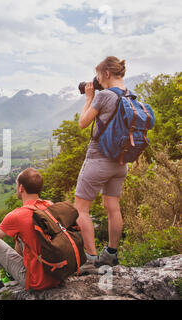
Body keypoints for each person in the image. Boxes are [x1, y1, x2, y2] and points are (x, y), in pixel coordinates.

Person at [75, 56, 129, 270]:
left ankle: (91, 259)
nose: (97, 80)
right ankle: (111, 255)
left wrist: (89, 97)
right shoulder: (130, 95)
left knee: (81, 209)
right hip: (121, 162)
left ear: (106, 74)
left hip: (98, 159)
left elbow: (82, 123)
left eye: (98, 75)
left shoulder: (104, 96)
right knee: (112, 207)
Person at [0, 168, 60, 296]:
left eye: (16, 184)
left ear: (21, 188)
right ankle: (10, 275)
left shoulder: (18, 215)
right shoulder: (50, 205)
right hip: (57, 273)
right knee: (22, 235)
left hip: (38, 282)